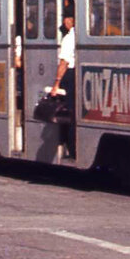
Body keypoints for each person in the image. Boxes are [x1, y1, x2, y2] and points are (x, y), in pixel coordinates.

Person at [40, 14, 77, 162]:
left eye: (65, 19)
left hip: (69, 75)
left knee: (67, 113)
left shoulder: (69, 38)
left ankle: (72, 149)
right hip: (78, 75)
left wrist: (56, 83)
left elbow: (64, 62)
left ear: (70, 20)